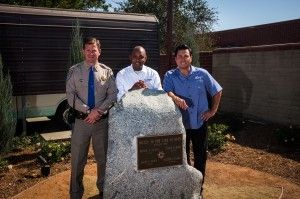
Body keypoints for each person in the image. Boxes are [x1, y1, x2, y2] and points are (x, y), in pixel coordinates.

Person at [163, 44, 222, 193]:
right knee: (182, 158)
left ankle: (198, 188)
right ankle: (185, 186)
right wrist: (175, 98)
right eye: (180, 56)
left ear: (191, 57)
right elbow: (166, 92)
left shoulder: (202, 74)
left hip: (199, 122)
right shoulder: (170, 75)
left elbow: (217, 90)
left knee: (200, 157)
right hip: (179, 124)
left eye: (186, 56)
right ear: (175, 59)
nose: (183, 59)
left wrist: (213, 110)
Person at [66, 37, 117, 199]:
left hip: (100, 123)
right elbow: (70, 95)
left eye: (94, 50)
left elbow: (113, 95)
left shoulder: (106, 72)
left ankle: (103, 190)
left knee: (103, 160)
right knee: (77, 160)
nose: (90, 53)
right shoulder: (74, 71)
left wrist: (98, 112)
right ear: (83, 51)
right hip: (81, 123)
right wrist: (89, 111)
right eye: (88, 50)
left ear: (99, 51)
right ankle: (75, 193)